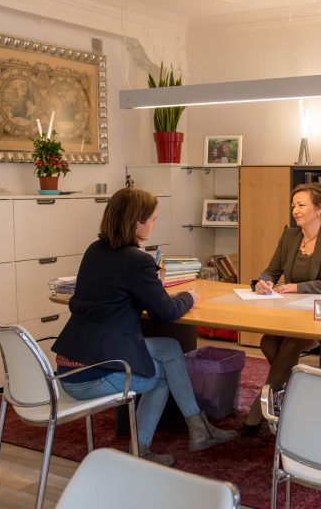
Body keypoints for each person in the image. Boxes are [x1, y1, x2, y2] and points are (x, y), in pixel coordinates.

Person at [52, 187, 237, 465]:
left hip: (69, 364)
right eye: (153, 219)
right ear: (137, 223)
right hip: (93, 374)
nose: (154, 224)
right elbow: (166, 312)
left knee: (170, 348)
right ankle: (141, 450)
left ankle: (199, 428)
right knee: (159, 377)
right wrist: (190, 296)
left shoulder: (94, 250)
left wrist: (151, 287)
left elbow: (115, 293)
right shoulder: (137, 261)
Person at [243, 183, 321, 435]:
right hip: (291, 312)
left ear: (319, 208)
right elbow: (271, 270)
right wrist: (264, 282)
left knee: (291, 345)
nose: (295, 210)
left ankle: (259, 405)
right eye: (294, 205)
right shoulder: (289, 236)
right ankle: (297, 395)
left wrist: (300, 287)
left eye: (301, 205)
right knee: (268, 342)